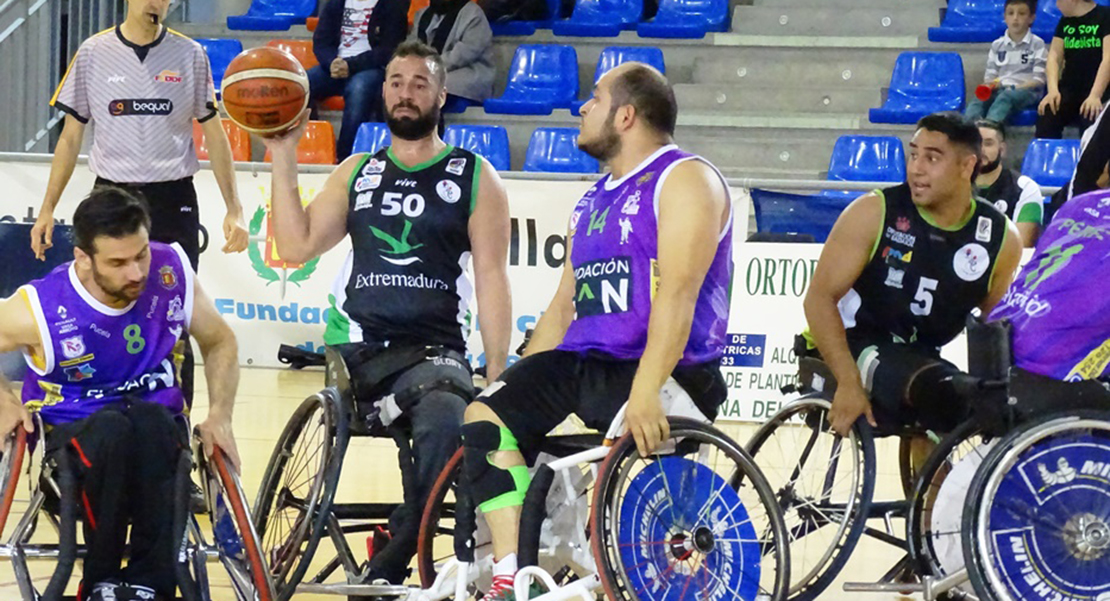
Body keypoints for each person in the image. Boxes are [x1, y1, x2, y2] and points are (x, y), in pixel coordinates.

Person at [460, 62, 733, 600]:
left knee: (608, 504)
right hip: (590, 365)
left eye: (595, 98)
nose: (582, 107)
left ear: (626, 115)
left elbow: (678, 295)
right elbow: (564, 310)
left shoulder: (685, 179)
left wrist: (646, 390)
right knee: (486, 416)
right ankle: (515, 576)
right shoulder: (591, 200)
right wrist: (516, 386)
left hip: (668, 369)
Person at [261, 41, 511, 585]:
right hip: (358, 351)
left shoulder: (476, 176)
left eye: (420, 83)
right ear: (383, 90)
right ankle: (400, 555)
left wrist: (495, 373)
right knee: (439, 402)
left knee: (448, 422)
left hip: (437, 354)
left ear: (441, 95)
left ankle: (389, 557)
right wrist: (283, 156)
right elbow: (296, 245)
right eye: (396, 81)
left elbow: (492, 278)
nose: (405, 93)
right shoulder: (357, 171)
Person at [0, 188, 241, 601]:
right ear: (83, 259)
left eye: (141, 255)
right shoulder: (41, 307)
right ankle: (101, 579)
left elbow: (219, 341)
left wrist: (220, 413)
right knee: (112, 430)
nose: (135, 272)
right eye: (118, 262)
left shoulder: (171, 269)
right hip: (77, 432)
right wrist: (4, 399)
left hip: (154, 423)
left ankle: (151, 583)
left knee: (150, 423)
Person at [31, 0, 250, 410]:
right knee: (105, 307)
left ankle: (176, 425)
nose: (157, 2)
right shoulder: (93, 52)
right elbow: (70, 137)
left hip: (172, 196)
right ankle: (104, 411)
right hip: (113, 196)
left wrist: (233, 207)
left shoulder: (191, 55)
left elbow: (215, 134)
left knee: (175, 319)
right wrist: (47, 208)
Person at [803, 112, 1023, 439]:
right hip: (854, 344)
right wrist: (849, 382)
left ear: (967, 166)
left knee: (982, 403)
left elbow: (994, 328)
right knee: (941, 391)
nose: (916, 168)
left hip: (922, 359)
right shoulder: (874, 211)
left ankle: (949, 489)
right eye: (914, 154)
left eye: (932, 158)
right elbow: (819, 300)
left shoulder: (1001, 238)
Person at [310, 0, 409, 160]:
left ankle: (346, 157)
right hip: (335, 65)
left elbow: (389, 50)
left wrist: (351, 65)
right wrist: (332, 62)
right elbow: (321, 42)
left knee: (359, 91)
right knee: (301, 85)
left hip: (371, 67)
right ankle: (312, 144)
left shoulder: (392, 5)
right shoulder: (336, 3)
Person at [1036, 0, 1110, 138]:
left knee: (1091, 117)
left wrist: (1095, 96)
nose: (1057, 5)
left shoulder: (1105, 16)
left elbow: (1108, 59)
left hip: (1099, 90)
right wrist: (1052, 91)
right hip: (1070, 89)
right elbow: (1054, 57)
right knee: (1048, 113)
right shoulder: (1065, 21)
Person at [965, 0, 1047, 124]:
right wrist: (990, 85)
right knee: (979, 99)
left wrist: (1013, 87)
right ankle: (971, 130)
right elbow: (990, 77)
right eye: (1010, 13)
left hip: (1027, 91)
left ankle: (990, 128)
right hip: (1001, 88)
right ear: (1005, 17)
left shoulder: (1037, 44)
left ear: (1031, 18)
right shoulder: (997, 45)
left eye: (1021, 14)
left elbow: (1039, 80)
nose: (1015, 18)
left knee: (1006, 97)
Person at [409, 0, 496, 106]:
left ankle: (431, 120)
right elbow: (411, 47)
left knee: (431, 84)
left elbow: (464, 54)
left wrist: (429, 67)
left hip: (467, 72)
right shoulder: (422, 15)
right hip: (429, 70)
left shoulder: (474, 14)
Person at [975, 120, 1044, 247]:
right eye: (975, 143)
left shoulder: (1024, 188)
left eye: (988, 143)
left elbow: (1023, 247)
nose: (981, 150)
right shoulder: (951, 184)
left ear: (1002, 149)